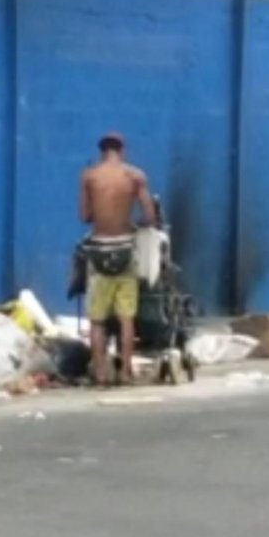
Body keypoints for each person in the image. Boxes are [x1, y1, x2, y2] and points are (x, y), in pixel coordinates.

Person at [79, 133, 157, 386]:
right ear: (121, 150)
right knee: (126, 318)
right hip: (125, 249)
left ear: (102, 151)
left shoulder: (89, 176)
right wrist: (134, 223)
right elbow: (149, 215)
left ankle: (100, 375)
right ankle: (125, 372)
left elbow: (85, 215)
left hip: (99, 250)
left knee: (97, 320)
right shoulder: (135, 176)